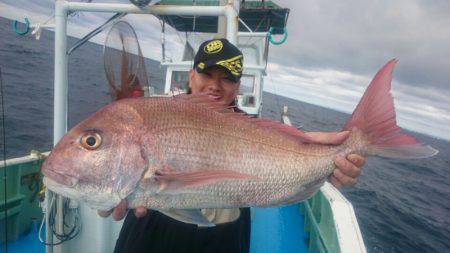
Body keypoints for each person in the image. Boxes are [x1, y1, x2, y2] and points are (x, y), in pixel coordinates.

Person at [99, 38, 365, 253]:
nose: (215, 85)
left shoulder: (253, 130)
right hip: (154, 232)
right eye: (207, 73)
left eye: (227, 78)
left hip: (223, 240)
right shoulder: (154, 115)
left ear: (237, 86)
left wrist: (328, 163)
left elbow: (285, 162)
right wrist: (104, 188)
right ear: (191, 76)